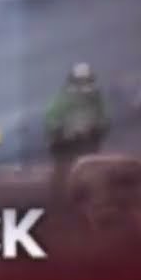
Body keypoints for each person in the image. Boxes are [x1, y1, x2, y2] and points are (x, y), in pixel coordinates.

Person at [44, 62, 109, 204]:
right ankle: (61, 198)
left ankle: (88, 197)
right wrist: (65, 132)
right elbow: (52, 120)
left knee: (90, 170)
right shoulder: (63, 99)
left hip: (88, 142)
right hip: (66, 144)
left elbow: (104, 118)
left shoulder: (95, 98)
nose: (84, 84)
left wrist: (96, 128)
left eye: (87, 80)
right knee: (64, 172)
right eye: (80, 81)